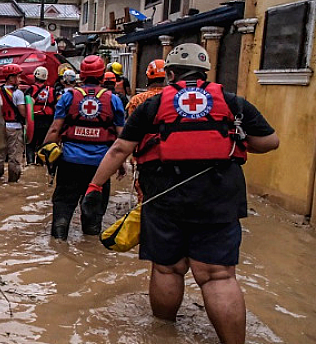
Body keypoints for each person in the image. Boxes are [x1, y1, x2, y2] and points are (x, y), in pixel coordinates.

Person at [85, 43, 279, 344]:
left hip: (164, 196)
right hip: (219, 197)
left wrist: (95, 186)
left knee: (167, 269)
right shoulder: (232, 102)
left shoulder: (152, 105)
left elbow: (120, 149)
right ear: (205, 73)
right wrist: (235, 142)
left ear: (171, 74)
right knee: (218, 275)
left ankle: (164, 335)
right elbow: (270, 142)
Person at [41, 55, 125, 239]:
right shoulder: (114, 100)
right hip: (101, 166)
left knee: (63, 204)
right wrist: (121, 163)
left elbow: (55, 129)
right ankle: (91, 240)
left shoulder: (68, 96)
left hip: (69, 162)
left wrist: (46, 153)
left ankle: (59, 238)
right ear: (102, 76)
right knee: (94, 210)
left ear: (82, 75)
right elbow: (121, 136)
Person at [0, 64, 27, 182]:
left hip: (0, 127)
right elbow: (23, 112)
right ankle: (13, 182)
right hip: (14, 128)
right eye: (18, 76)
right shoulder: (18, 93)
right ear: (11, 78)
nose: (20, 79)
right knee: (15, 156)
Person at [26, 66, 55, 165]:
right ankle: (40, 163)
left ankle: (30, 163)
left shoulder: (30, 89)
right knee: (43, 144)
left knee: (30, 143)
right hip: (47, 121)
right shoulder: (52, 90)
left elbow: (26, 105)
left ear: (35, 76)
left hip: (34, 120)